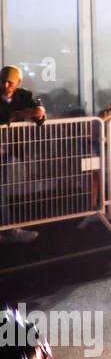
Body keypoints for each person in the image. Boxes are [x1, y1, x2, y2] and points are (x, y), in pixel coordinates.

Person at [0, 66, 46, 243]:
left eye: (9, 82)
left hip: (9, 149)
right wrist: (17, 114)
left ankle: (9, 228)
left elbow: (38, 115)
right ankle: (10, 229)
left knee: (2, 188)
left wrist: (38, 113)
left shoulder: (25, 95)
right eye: (2, 80)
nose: (5, 85)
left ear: (18, 82)